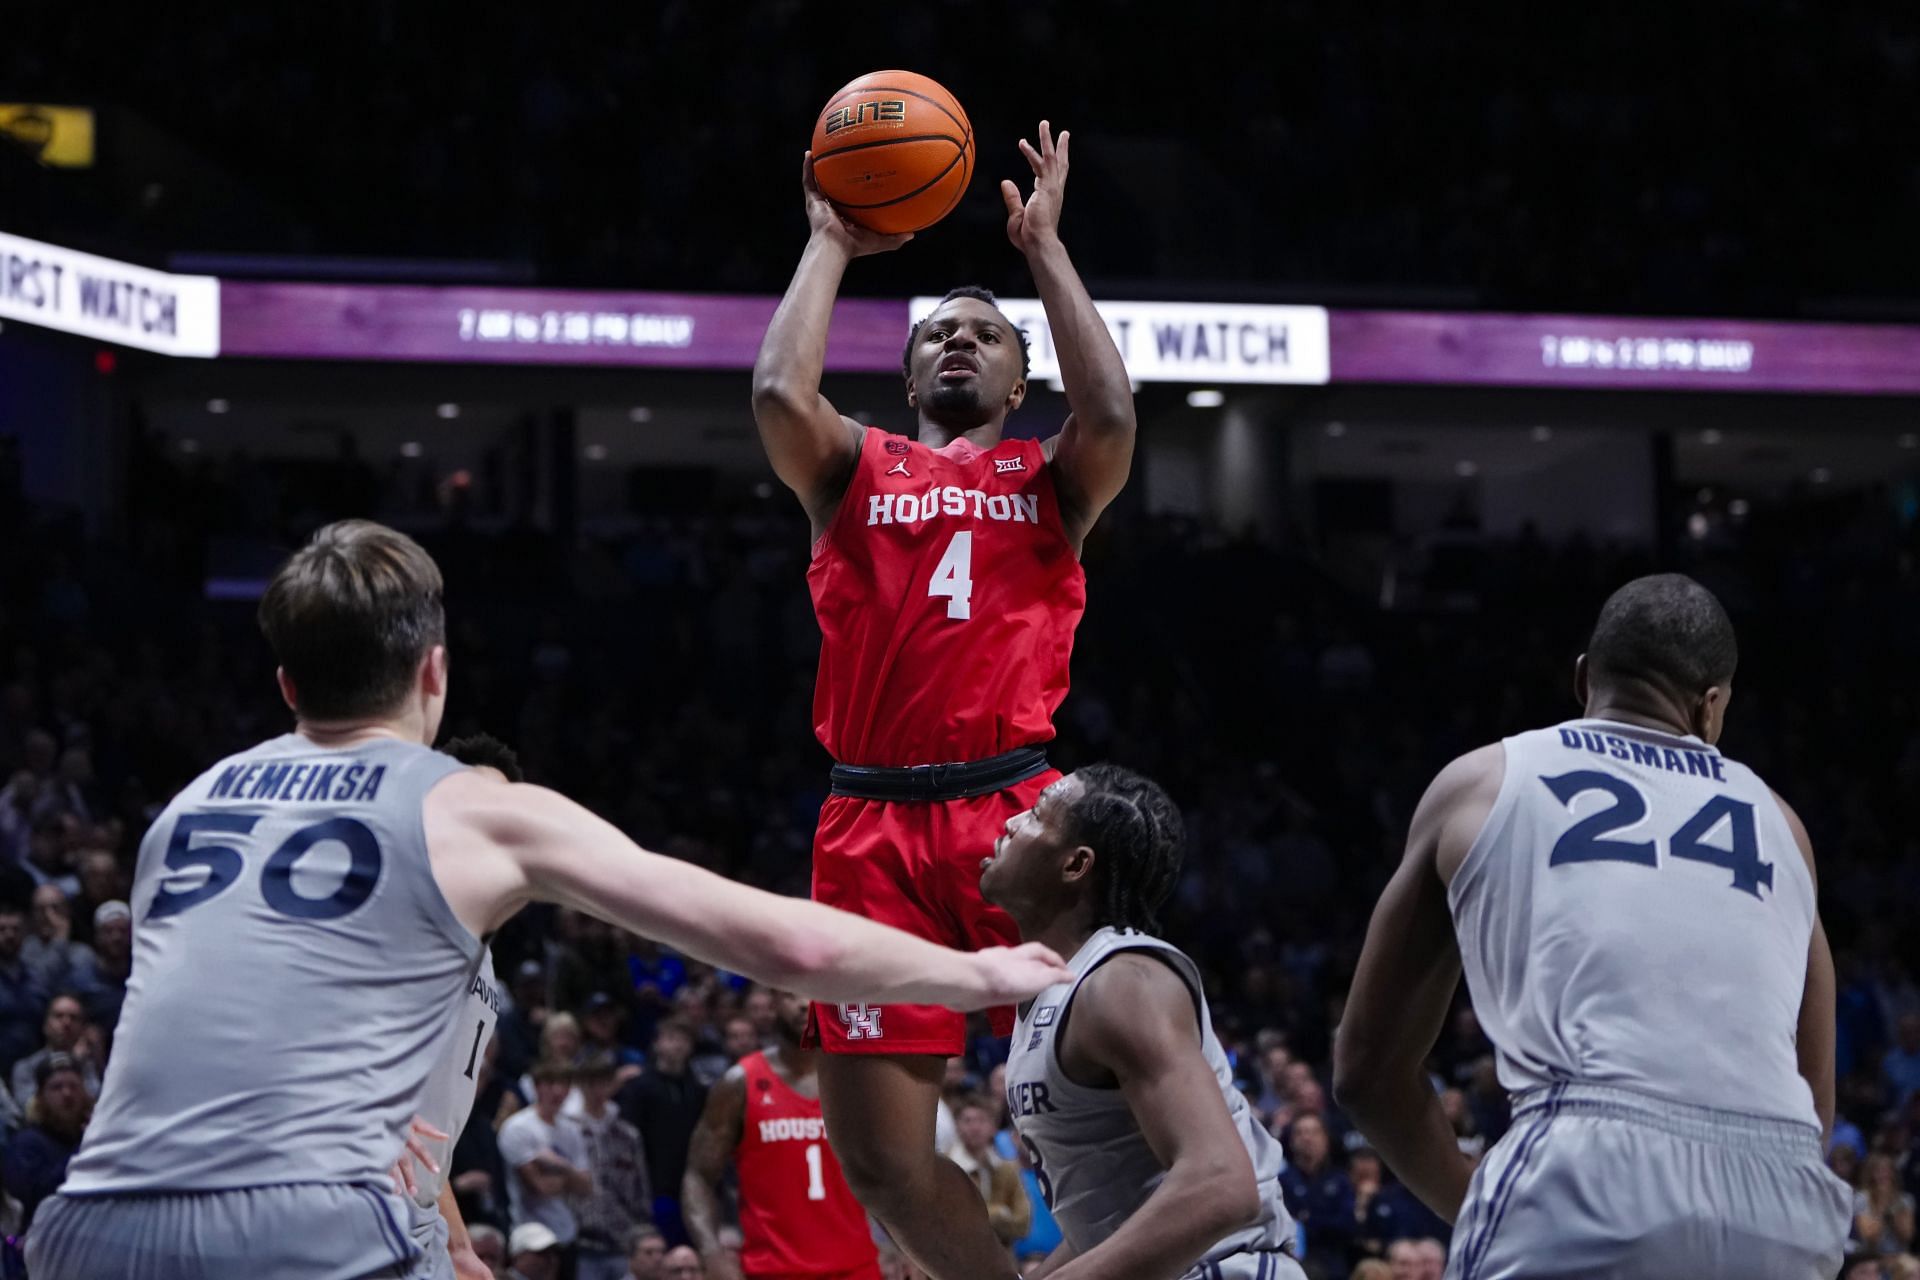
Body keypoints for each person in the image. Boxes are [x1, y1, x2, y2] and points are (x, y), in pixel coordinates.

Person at [26, 520, 1071, 1279]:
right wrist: (976, 970)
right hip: (304, 1230)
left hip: (88, 1223)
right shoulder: (473, 807)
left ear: (289, 684)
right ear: (434, 671)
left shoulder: (181, 812)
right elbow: (768, 936)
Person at [752, 117, 1136, 1280]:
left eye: (984, 336)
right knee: (877, 1157)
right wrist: (828, 239)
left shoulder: (1050, 477)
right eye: (937, 336)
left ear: (1020, 378)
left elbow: (1114, 417)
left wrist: (1045, 252)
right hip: (868, 822)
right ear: (910, 374)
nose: (959, 344)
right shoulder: (853, 465)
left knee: (1114, 1087)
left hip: (1020, 810)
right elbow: (778, 384)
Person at [1335, 573, 1855, 1278]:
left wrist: (1479, 1196)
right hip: (1782, 1196)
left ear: (1584, 679)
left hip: (1584, 1172)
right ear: (1711, 707)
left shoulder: (1483, 781)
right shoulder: (1783, 826)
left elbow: (1367, 1071)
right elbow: (1812, 1098)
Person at [981, 764, 1305, 1279]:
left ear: (1075, 865)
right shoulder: (1060, 988)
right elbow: (1113, 1224)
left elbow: (1221, 1184)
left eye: (1038, 816)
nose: (1012, 822)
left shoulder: (1121, 983)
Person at [399, 732, 522, 1280]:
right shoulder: (393, 904)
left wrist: (459, 1245)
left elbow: (433, 1130)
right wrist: (358, 1109)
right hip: (348, 1199)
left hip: (420, 1215)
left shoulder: (483, 950)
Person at [683, 988, 879, 1280]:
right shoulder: (739, 1083)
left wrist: (906, 1247)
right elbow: (698, 1175)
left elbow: (895, 1175)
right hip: (772, 1270)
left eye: (812, 993)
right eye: (791, 994)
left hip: (857, 1269)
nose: (803, 1004)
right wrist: (712, 1253)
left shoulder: (860, 1084)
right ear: (772, 1005)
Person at [618, 1017, 706, 1243]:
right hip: (655, 1186)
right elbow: (629, 1138)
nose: (676, 1045)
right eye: (670, 1038)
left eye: (682, 1040)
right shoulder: (639, 1087)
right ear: (657, 1044)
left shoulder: (698, 1089)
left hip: (692, 1184)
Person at [499, 1059, 593, 1252]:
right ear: (536, 1087)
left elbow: (586, 1186)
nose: (558, 1091)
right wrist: (571, 1177)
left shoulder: (571, 1130)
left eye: (564, 1084)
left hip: (566, 1232)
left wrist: (560, 1165)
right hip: (530, 1235)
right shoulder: (519, 1127)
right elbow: (541, 1187)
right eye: (550, 1084)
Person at [575, 1053, 652, 1280]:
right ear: (580, 1085)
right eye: (590, 1082)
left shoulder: (627, 1135)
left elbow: (641, 1188)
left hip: (623, 1240)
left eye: (603, 1082)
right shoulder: (570, 1130)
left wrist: (642, 1229)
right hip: (582, 1240)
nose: (597, 1089)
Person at [4, 1052, 90, 1231]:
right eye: (56, 1087)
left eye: (74, 1086)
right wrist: (83, 1149)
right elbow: (38, 1199)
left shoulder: (93, 1138)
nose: (67, 1094)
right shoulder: (26, 1143)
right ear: (41, 1097)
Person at [947, 1094, 1029, 1254]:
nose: (975, 1127)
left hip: (1001, 1261)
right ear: (957, 1126)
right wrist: (999, 1213)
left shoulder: (1006, 1169)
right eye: (967, 1121)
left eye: (981, 1120)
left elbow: (1023, 1223)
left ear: (993, 1127)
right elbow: (953, 1222)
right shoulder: (946, 1168)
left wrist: (980, 1218)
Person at [11, 992, 98, 1107]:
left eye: (74, 1018)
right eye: (59, 1016)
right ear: (45, 1025)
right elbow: (29, 1107)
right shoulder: (25, 1068)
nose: (66, 1023)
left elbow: (97, 1103)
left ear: (82, 1027)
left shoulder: (89, 1065)